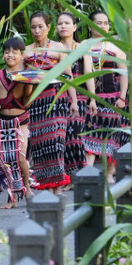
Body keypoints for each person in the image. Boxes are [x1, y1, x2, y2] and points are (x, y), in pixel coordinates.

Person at [24, 11, 72, 193]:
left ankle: (58, 187)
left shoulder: (59, 47)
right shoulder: (27, 50)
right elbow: (21, 78)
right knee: (41, 144)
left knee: (56, 142)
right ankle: (46, 185)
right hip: (35, 103)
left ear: (48, 27)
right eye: (34, 27)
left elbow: (68, 76)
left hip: (56, 100)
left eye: (40, 27)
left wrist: (73, 102)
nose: (37, 30)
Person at [0, 37, 35, 209]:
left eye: (15, 52)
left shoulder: (26, 75)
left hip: (20, 121)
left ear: (22, 55)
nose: (10, 55)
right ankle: (12, 198)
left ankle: (27, 188)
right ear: (3, 55)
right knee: (6, 161)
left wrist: (29, 86)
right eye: (7, 52)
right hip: (3, 122)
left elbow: (27, 102)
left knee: (20, 158)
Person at [86, 11, 129, 180]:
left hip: (113, 96)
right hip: (94, 97)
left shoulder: (115, 46)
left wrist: (123, 97)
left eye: (106, 23)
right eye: (99, 23)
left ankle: (109, 172)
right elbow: (87, 72)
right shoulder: (85, 45)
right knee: (90, 132)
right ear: (91, 26)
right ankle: (88, 171)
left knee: (111, 135)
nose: (103, 26)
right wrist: (92, 98)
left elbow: (123, 73)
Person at [55, 11, 92, 181]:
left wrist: (92, 99)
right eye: (60, 23)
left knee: (76, 135)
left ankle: (78, 174)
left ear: (75, 27)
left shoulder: (81, 48)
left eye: (67, 23)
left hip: (80, 97)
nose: (63, 26)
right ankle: (67, 178)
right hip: (58, 97)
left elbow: (88, 73)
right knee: (61, 138)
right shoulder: (53, 48)